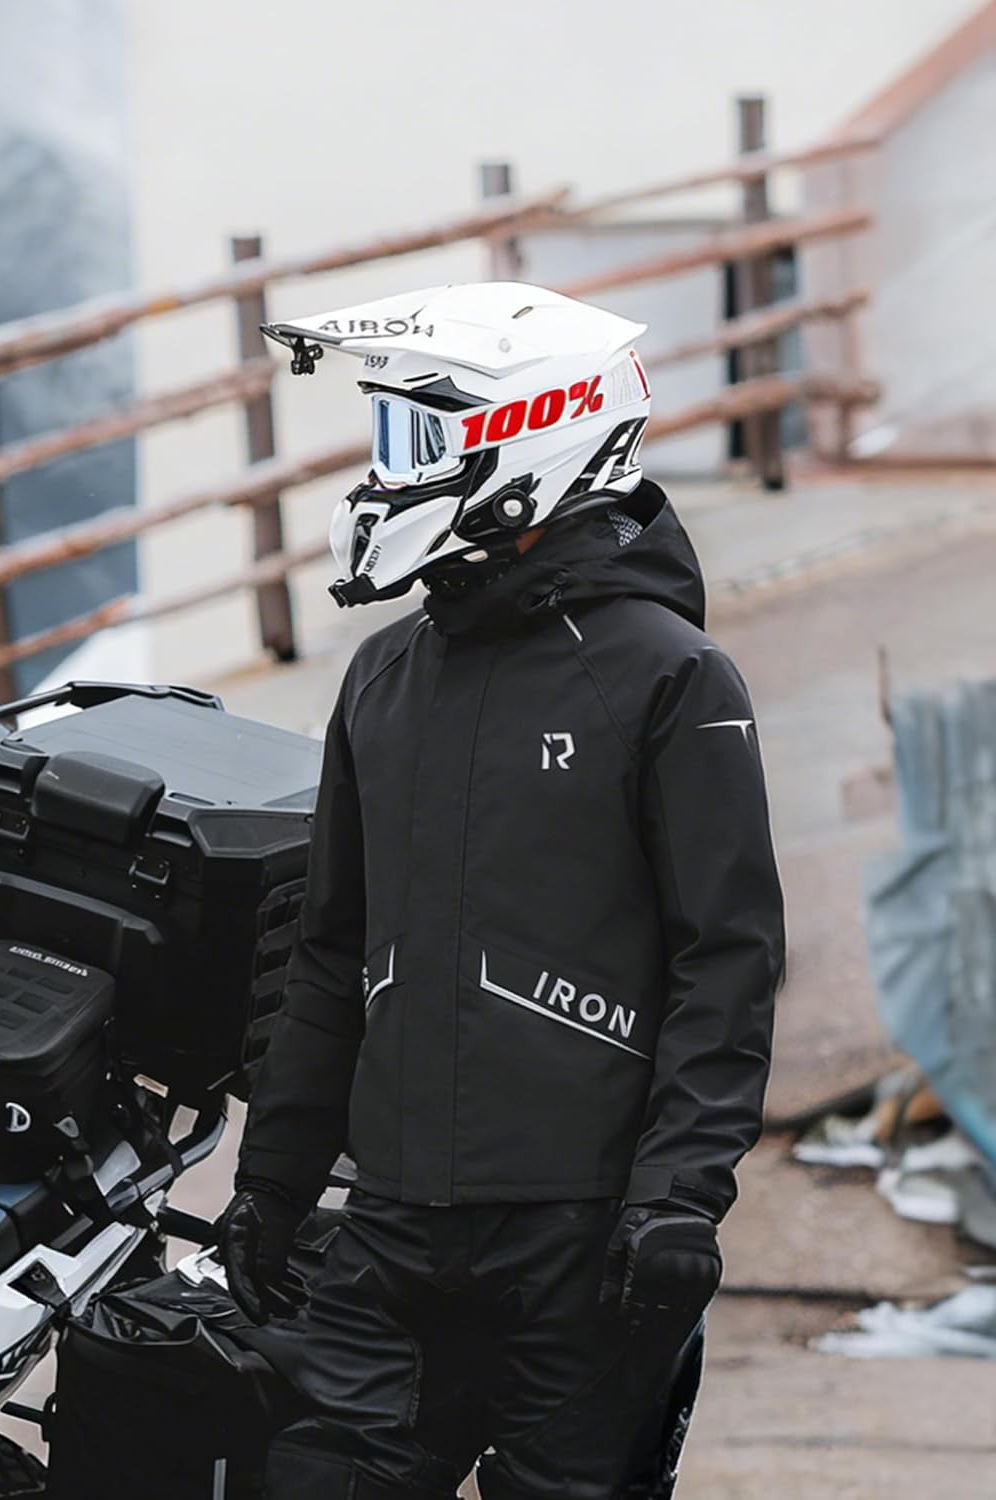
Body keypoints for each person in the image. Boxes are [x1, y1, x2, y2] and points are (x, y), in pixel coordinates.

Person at [218, 282, 785, 1499]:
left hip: (586, 1240)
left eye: (417, 437)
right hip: (390, 1228)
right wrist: (273, 1180)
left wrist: (679, 1200)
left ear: (538, 435)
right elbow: (331, 950)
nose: (390, 472)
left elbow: (727, 960)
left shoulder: (671, 676)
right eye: (387, 436)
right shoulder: (384, 675)